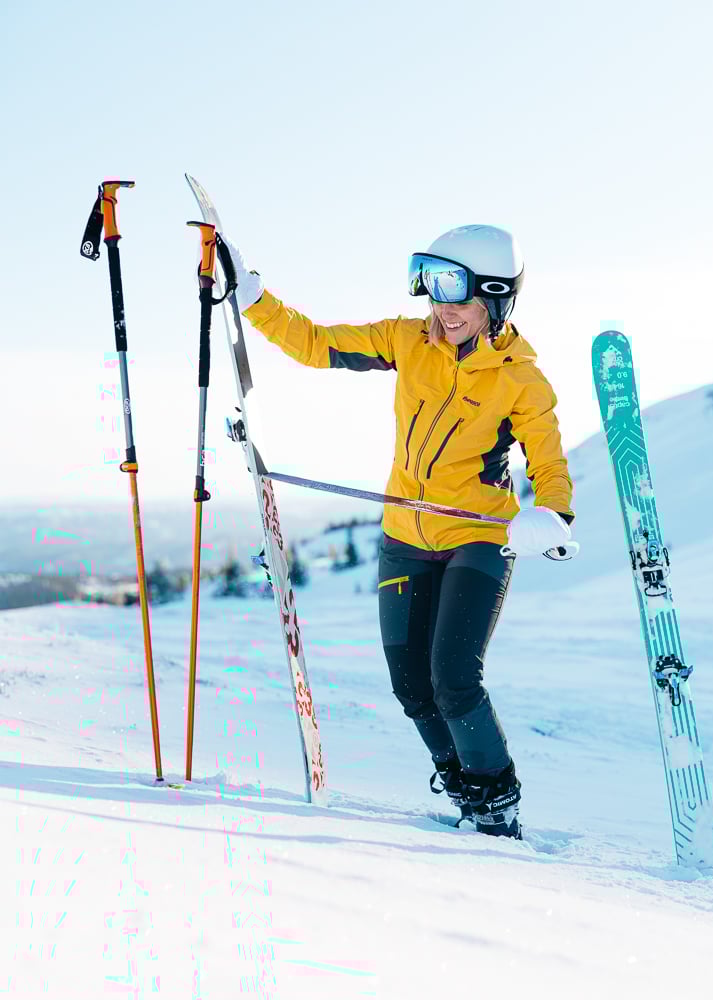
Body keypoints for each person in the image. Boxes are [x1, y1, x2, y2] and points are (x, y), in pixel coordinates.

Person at [225, 224, 574, 838]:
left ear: (495, 298)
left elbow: (549, 465)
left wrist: (552, 514)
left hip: (477, 539)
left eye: (458, 294)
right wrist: (255, 299)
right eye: (433, 290)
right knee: (411, 686)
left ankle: (497, 804)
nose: (443, 308)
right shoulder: (407, 340)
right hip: (404, 537)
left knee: (454, 679)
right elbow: (317, 345)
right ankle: (463, 786)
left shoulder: (521, 380)